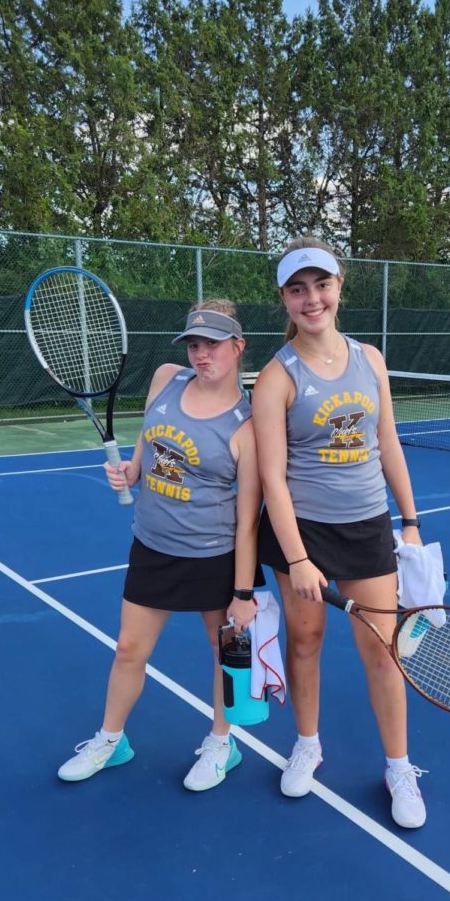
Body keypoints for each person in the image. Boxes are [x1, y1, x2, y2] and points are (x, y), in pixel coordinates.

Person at [251, 238, 428, 829]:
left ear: (339, 286)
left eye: (321, 284)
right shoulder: (277, 377)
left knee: (383, 650)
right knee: (304, 644)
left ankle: (399, 767)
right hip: (302, 532)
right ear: (284, 298)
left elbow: (389, 444)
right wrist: (298, 558)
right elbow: (272, 477)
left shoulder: (369, 359)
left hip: (369, 528)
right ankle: (307, 743)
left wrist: (409, 521)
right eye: (298, 289)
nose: (311, 298)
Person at [57, 300, 262, 791]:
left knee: (223, 655)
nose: (201, 354)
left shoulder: (248, 424)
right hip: (152, 546)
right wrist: (132, 469)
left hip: (214, 555)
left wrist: (243, 592)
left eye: (212, 343)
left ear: (238, 347)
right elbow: (147, 444)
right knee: (129, 648)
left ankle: (221, 744)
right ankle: (111, 740)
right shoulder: (166, 378)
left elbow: (249, 516)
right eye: (194, 343)